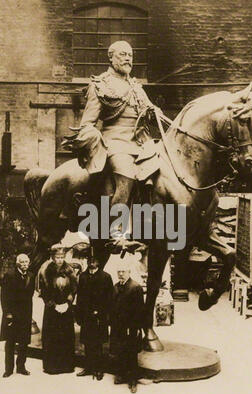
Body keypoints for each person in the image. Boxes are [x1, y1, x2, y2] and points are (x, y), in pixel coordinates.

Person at [70, 40, 160, 246]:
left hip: (140, 141)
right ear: (110, 57)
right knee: (127, 173)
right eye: (122, 54)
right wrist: (92, 139)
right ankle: (115, 232)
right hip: (114, 141)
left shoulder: (136, 86)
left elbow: (150, 111)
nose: (128, 58)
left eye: (130, 54)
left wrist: (155, 113)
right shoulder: (100, 84)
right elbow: (88, 123)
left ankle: (149, 226)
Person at [39, 244, 77, 374]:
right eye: (57, 257)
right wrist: (54, 305)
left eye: (62, 257)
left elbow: (74, 289)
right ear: (53, 258)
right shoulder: (46, 270)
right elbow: (43, 291)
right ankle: (52, 366)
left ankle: (66, 366)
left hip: (66, 309)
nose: (60, 260)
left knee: (65, 337)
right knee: (52, 337)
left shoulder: (70, 270)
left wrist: (67, 303)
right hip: (52, 310)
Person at [76, 251, 114, 380]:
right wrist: (79, 316)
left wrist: (103, 313)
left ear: (98, 262)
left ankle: (99, 369)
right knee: (87, 343)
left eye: (94, 260)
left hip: (99, 316)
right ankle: (88, 368)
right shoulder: (82, 276)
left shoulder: (105, 277)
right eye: (90, 260)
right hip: (86, 316)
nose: (92, 262)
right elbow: (79, 297)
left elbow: (109, 299)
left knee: (98, 344)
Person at [110, 258, 145, 393]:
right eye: (119, 272)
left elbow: (139, 310)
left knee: (131, 353)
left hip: (131, 326)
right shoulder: (116, 287)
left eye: (123, 272)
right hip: (119, 326)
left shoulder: (135, 287)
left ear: (129, 272)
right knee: (121, 350)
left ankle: (133, 380)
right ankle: (122, 375)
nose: (121, 274)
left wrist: (136, 329)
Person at [0, 253, 35, 377]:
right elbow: (4, 296)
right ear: (18, 263)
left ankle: (21, 367)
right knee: (10, 342)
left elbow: (30, 296)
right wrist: (7, 313)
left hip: (25, 314)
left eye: (27, 262)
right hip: (12, 315)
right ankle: (8, 369)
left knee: (24, 342)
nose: (25, 264)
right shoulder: (9, 275)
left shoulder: (31, 276)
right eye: (23, 262)